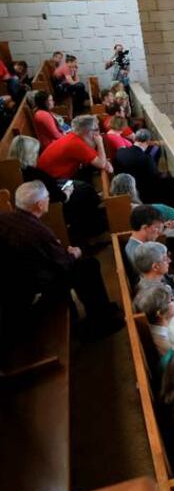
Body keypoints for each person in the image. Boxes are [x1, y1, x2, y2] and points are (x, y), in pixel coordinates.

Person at [0, 181, 122, 338]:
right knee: (87, 267)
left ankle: (102, 311)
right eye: (47, 197)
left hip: (15, 277)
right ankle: (101, 322)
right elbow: (63, 264)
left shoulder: (6, 218)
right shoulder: (37, 231)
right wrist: (74, 253)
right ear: (40, 204)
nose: (49, 200)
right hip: (28, 288)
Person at [37, 114, 112, 181]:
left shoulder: (76, 137)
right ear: (88, 132)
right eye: (96, 130)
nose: (98, 133)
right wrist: (100, 143)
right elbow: (101, 164)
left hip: (51, 173)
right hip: (51, 179)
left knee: (89, 167)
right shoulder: (77, 144)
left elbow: (98, 158)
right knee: (86, 189)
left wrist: (106, 162)